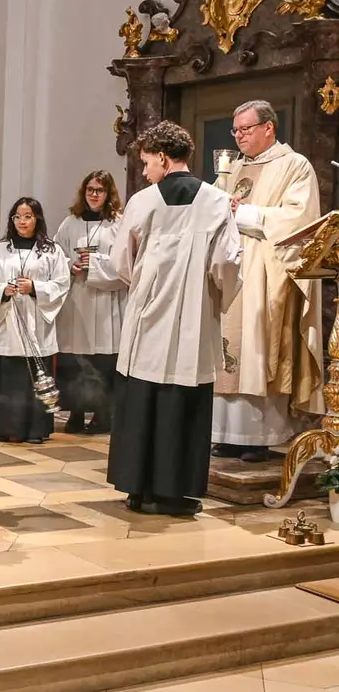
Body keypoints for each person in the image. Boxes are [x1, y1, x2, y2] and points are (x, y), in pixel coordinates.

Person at [108, 121, 242, 516]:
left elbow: (121, 261)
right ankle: (179, 494)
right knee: (185, 401)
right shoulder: (217, 201)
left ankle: (139, 489)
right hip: (194, 318)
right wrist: (213, 296)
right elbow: (227, 264)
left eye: (148, 162)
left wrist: (145, 283)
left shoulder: (143, 201)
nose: (146, 171)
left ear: (164, 159)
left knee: (142, 398)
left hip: (147, 316)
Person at [211, 100, 324, 462]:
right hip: (230, 271)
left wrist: (240, 212)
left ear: (268, 128)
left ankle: (259, 436)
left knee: (256, 346)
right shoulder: (233, 167)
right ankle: (226, 433)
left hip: (265, 272)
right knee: (225, 346)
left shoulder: (295, 166)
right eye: (235, 130)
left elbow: (299, 220)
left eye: (245, 129)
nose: (239, 136)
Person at [0, 197, 70, 444]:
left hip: (35, 322)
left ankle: (33, 429)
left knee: (30, 375)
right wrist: (3, 291)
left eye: (27, 216)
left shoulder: (51, 251)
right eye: (17, 216)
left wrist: (35, 287)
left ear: (37, 218)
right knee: (4, 374)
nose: (22, 221)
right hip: (5, 325)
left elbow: (61, 284)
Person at [53, 171, 126, 435]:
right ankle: (75, 410)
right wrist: (68, 265)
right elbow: (54, 255)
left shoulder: (118, 224)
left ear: (109, 195)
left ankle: (102, 413)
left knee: (102, 361)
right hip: (77, 299)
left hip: (106, 301)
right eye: (90, 190)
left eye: (100, 190)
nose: (94, 195)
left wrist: (94, 265)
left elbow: (125, 262)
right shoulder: (70, 223)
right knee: (75, 360)